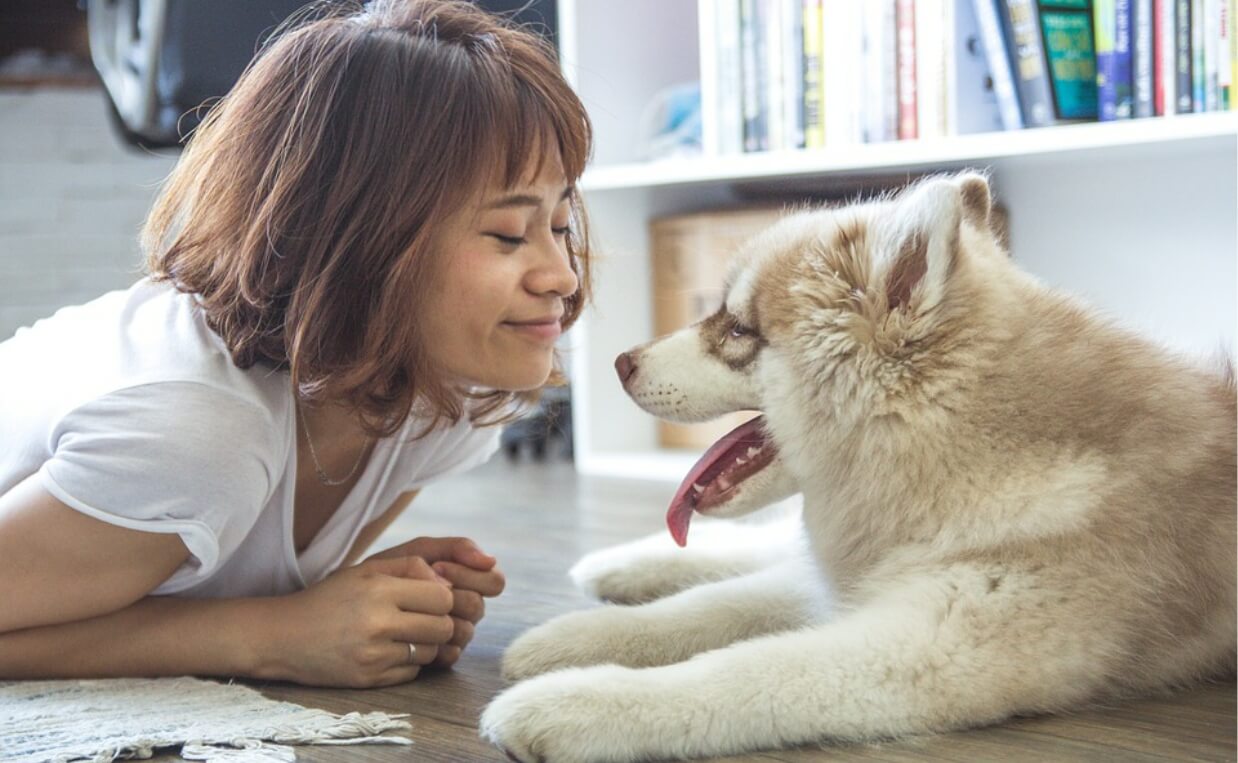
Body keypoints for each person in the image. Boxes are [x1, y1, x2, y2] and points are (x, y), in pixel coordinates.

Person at [0, 0, 591, 689]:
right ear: (359, 243)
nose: (563, 274)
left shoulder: (442, 396)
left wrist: (370, 602)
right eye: (509, 235)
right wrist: (269, 637)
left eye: (561, 223)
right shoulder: (197, 433)